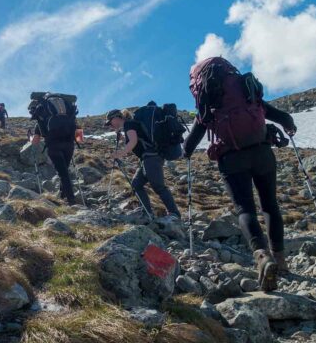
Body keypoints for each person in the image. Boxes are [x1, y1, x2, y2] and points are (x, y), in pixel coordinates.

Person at [183, 57, 297, 291]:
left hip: (232, 158)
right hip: (262, 152)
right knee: (270, 205)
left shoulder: (208, 103)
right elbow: (280, 116)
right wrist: (289, 125)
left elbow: (191, 142)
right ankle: (281, 261)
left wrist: (185, 153)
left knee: (245, 209)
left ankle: (261, 256)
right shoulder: (247, 92)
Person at [105, 108, 181, 218]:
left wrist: (119, 153)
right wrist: (122, 138)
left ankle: (174, 214)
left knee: (158, 186)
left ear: (116, 118)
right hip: (148, 158)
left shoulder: (129, 124)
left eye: (110, 122)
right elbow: (138, 140)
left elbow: (133, 141)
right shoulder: (130, 125)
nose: (110, 125)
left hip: (151, 158)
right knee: (136, 184)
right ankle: (146, 211)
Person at [29, 94, 79, 205]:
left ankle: (71, 200)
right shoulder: (69, 115)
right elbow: (79, 136)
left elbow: (35, 141)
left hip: (54, 145)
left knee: (63, 173)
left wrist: (30, 138)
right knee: (64, 170)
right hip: (69, 144)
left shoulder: (42, 120)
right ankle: (63, 195)